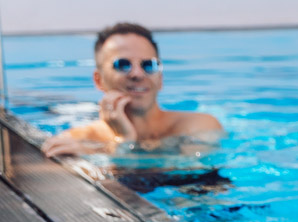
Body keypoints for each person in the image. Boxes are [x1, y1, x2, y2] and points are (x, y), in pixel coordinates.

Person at [41, 22, 223, 158]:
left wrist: (115, 149)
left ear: (160, 79)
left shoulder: (198, 125)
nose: (137, 74)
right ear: (99, 80)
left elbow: (189, 170)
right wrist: (123, 141)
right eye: (123, 64)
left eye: (148, 65)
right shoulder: (77, 139)